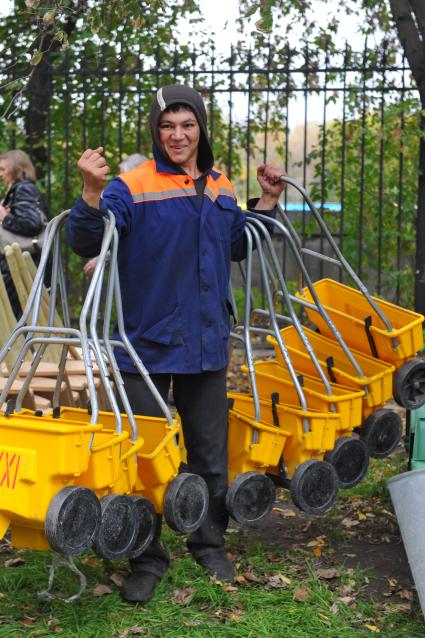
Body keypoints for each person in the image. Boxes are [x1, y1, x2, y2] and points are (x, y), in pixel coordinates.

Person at [66, 84, 285, 604]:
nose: (178, 135)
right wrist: (90, 194)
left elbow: (237, 244)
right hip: (145, 343)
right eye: (168, 126)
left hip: (206, 340)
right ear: (156, 131)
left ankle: (209, 544)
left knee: (209, 455)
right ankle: (147, 556)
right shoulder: (131, 186)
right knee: (147, 457)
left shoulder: (218, 186)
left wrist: (269, 202)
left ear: (201, 129)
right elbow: (85, 240)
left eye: (188, 125)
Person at [83, 152, 146, 275]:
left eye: (123, 173)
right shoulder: (119, 194)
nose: (119, 178)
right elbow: (116, 234)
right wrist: (102, 258)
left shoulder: (140, 197)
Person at [0, 150, 45, 318]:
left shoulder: (23, 188)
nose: (0, 174)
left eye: (3, 169)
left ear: (15, 168)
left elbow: (31, 223)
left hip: (19, 262)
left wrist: (5, 217)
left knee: (14, 317)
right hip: (18, 261)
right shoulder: (19, 189)